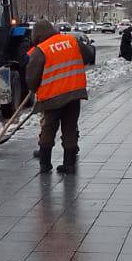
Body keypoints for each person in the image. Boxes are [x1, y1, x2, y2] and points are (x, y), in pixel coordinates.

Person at [25, 19, 95, 173]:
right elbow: (89, 55)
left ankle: (45, 164)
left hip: (52, 98)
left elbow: (31, 78)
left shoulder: (40, 50)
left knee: (49, 128)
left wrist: (33, 88)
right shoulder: (71, 41)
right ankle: (69, 165)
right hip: (74, 93)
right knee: (70, 128)